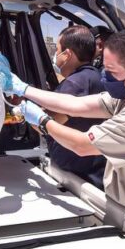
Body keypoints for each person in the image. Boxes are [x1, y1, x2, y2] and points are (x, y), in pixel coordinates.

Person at [4, 28, 125, 229]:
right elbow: (76, 105)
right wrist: (24, 89)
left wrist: (42, 120)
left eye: (112, 72)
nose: (104, 77)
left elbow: (82, 145)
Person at [45, 25, 106, 187]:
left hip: (78, 176)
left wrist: (22, 112)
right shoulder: (94, 76)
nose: (55, 55)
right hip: (95, 170)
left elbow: (50, 123)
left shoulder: (75, 84)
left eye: (57, 50)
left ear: (67, 54)